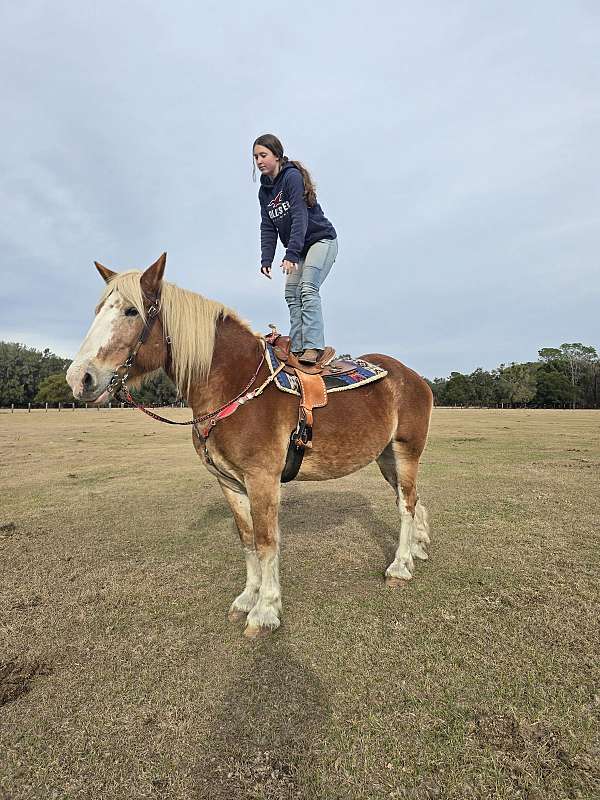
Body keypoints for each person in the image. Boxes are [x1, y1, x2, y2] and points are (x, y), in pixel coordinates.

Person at [253, 134, 338, 364]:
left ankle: (314, 347)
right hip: (298, 249)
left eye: (263, 155)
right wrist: (266, 258)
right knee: (291, 293)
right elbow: (268, 226)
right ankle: (298, 348)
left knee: (307, 289)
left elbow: (300, 216)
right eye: (255, 157)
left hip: (321, 240)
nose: (259, 161)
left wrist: (290, 254)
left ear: (277, 155)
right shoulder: (264, 192)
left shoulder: (291, 177)